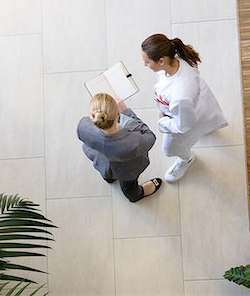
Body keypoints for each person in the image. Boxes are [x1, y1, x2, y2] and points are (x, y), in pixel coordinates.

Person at [141, 33, 228, 183]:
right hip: (196, 103)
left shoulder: (180, 96)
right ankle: (205, 130)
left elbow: (183, 126)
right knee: (206, 123)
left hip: (186, 115)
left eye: (147, 62)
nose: (145, 65)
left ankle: (186, 159)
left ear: (161, 61)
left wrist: (162, 121)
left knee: (169, 149)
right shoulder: (177, 60)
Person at [77, 93, 162, 203]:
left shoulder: (82, 125)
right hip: (126, 170)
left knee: (107, 174)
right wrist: (126, 112)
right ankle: (135, 195)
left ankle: (109, 179)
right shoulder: (132, 142)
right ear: (118, 118)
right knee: (129, 186)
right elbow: (150, 137)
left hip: (100, 161)